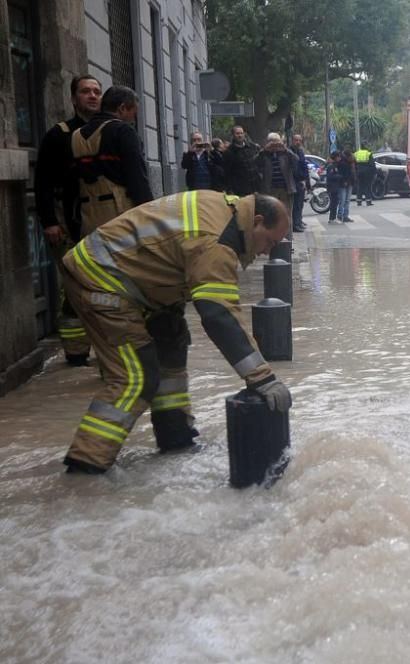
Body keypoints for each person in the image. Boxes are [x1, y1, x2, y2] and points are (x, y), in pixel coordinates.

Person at [60, 192, 292, 474]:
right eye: (270, 241)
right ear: (257, 221)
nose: (268, 250)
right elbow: (219, 315)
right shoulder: (216, 241)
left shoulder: (227, 209)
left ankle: (176, 438)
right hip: (101, 279)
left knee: (172, 339)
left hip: (137, 283)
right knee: (137, 376)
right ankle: (86, 465)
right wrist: (262, 378)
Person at [35, 74, 102, 366]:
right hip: (66, 220)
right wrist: (49, 221)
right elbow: (43, 183)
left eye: (97, 91)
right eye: (85, 91)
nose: (92, 96)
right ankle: (76, 353)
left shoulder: (110, 132)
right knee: (74, 285)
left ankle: (108, 351)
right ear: (73, 98)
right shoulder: (58, 135)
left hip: (100, 219)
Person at [71, 85, 153, 237]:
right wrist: (150, 215)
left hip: (87, 218)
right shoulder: (123, 131)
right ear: (122, 108)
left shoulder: (76, 136)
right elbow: (137, 179)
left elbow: (71, 183)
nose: (133, 120)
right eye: (133, 114)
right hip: (120, 218)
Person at [254, 132, 297, 235]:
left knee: (287, 216)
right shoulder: (264, 154)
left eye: (276, 142)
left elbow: (296, 161)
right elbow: (255, 163)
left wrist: (285, 149)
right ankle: (273, 241)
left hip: (286, 189)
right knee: (272, 216)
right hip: (270, 190)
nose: (274, 145)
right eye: (272, 142)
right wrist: (264, 150)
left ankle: (287, 242)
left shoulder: (285, 153)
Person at [223, 126, 260, 196]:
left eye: (241, 133)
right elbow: (227, 173)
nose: (240, 135)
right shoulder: (228, 152)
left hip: (255, 186)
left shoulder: (252, 147)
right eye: (237, 133)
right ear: (233, 135)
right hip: (240, 189)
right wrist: (229, 189)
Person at [290, 134, 310, 232]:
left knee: (300, 204)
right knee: (296, 205)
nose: (298, 142)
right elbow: (294, 169)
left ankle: (298, 221)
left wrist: (306, 181)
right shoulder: (290, 152)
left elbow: (304, 166)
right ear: (292, 140)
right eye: (296, 140)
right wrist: (301, 178)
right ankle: (295, 224)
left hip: (301, 182)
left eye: (299, 140)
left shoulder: (300, 151)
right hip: (295, 182)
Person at [337, 146, 357, 222]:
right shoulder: (342, 162)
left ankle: (345, 216)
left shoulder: (352, 160)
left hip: (350, 182)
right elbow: (341, 173)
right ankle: (340, 215)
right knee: (342, 200)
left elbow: (355, 170)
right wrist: (344, 181)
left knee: (347, 200)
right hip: (343, 183)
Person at [325, 151, 345, 223]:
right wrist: (340, 176)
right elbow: (330, 176)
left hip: (335, 186)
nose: (339, 158)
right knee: (333, 203)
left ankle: (333, 218)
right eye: (338, 156)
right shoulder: (331, 166)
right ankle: (332, 218)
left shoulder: (334, 165)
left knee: (335, 202)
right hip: (332, 187)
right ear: (335, 157)